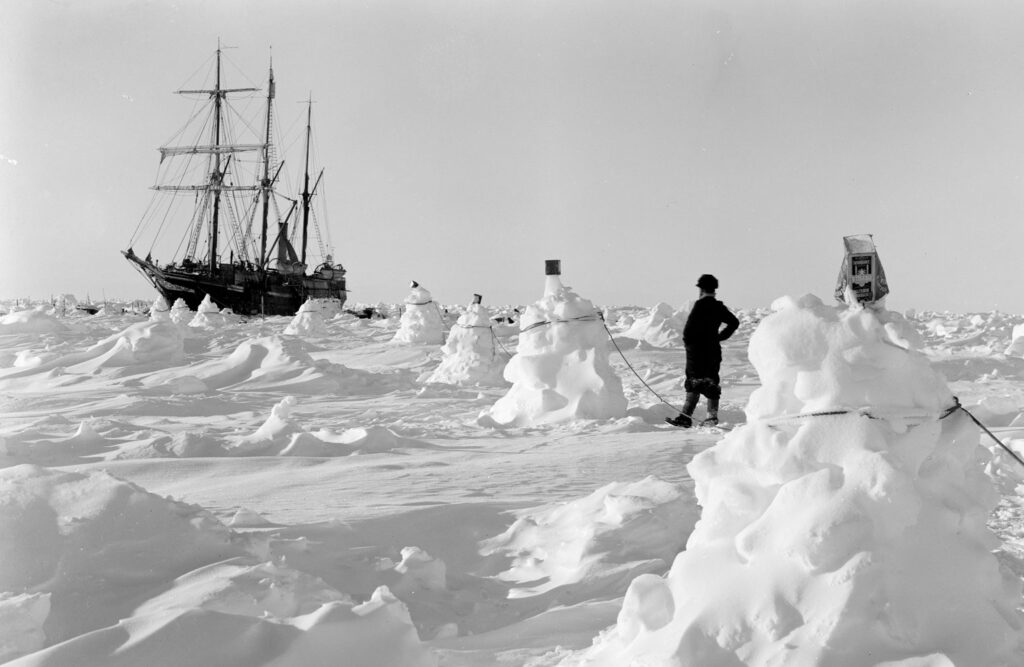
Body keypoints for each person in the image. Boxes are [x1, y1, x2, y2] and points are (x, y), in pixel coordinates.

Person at [667, 274, 740, 427]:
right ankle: (711, 417)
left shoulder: (699, 306)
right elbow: (734, 322)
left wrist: (690, 345)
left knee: (694, 381)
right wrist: (719, 337)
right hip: (712, 351)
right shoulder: (718, 307)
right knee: (711, 381)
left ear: (701, 289)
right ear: (714, 290)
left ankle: (685, 417)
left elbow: (688, 331)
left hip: (696, 352)